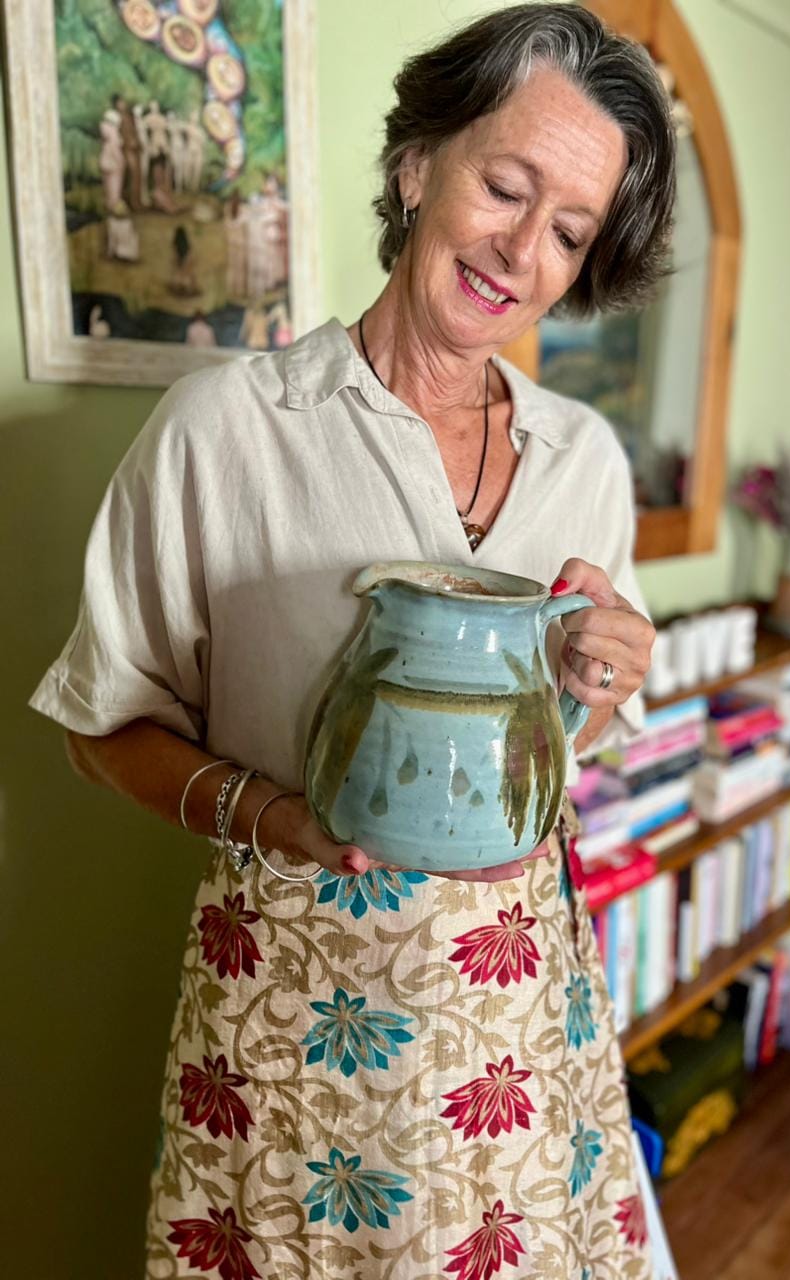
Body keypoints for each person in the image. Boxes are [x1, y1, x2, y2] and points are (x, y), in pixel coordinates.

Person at [29, 6, 674, 1277]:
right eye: (505, 186)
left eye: (568, 231)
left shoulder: (584, 461)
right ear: (418, 160)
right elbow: (97, 730)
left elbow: (568, 741)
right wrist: (278, 819)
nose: (521, 252)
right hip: (293, 1001)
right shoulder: (229, 428)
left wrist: (612, 666)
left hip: (513, 1003)